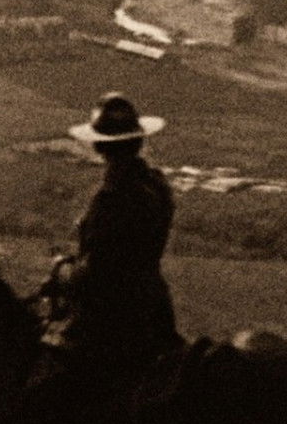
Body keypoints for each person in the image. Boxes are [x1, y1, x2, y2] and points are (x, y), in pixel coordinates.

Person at [38, 92, 184, 374]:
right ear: (138, 139)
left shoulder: (112, 198)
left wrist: (61, 270)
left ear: (98, 146)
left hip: (111, 320)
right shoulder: (156, 184)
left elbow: (95, 275)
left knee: (44, 383)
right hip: (154, 307)